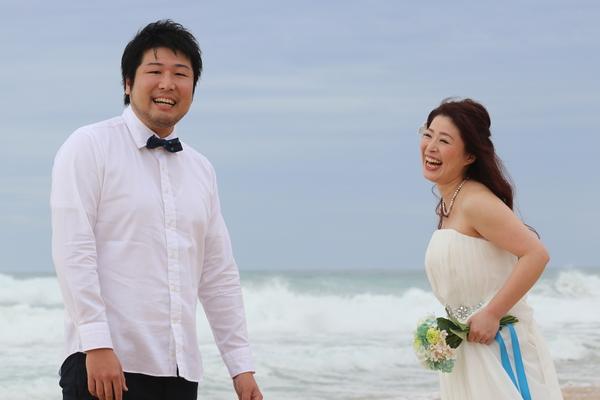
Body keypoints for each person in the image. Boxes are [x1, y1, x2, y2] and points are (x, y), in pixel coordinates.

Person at [51, 20, 263, 400]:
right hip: (105, 365)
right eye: (154, 71)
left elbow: (218, 275)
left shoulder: (201, 170)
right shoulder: (89, 145)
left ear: (193, 89)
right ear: (128, 83)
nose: (168, 84)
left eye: (181, 74)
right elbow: (72, 248)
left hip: (180, 372)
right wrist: (96, 343)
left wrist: (240, 367)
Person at [419, 98, 563, 399]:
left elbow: (536, 254)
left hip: (501, 346)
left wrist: (492, 314)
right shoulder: (450, 204)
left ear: (470, 154)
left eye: (444, 140)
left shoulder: (475, 201)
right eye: (428, 134)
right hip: (471, 349)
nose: (431, 146)